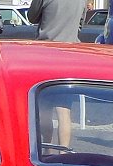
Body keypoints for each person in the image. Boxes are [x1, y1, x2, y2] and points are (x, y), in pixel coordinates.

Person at [28, 0, 83, 146]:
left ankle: (46, 150)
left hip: (46, 54)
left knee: (44, 108)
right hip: (70, 53)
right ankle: (63, 153)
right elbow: (80, 23)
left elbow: (31, 17)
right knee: (64, 111)